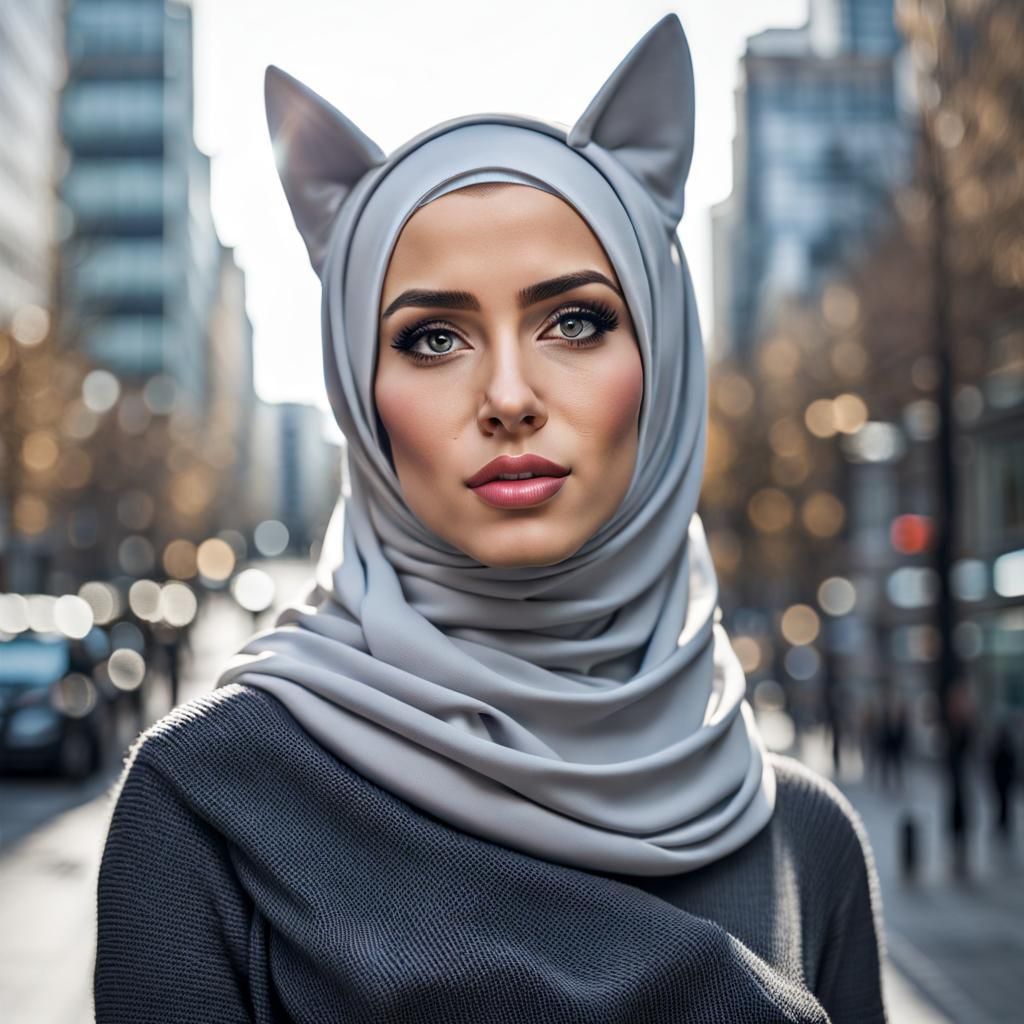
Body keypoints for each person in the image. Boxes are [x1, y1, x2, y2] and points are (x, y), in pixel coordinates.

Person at [94, 16, 886, 1023]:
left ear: (666, 360)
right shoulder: (204, 802)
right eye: (432, 337)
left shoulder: (802, 840)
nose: (508, 394)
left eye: (576, 321)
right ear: (356, 387)